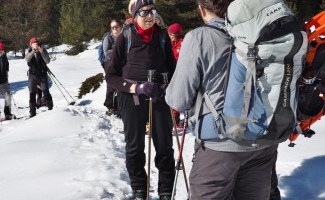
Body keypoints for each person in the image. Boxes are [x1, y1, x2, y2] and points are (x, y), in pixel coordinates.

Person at [165, 0, 278, 199]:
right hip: (263, 143)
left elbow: (178, 100)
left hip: (220, 146)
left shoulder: (198, 38)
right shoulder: (261, 32)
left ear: (202, 9)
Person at [105, 0, 176, 199]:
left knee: (164, 147)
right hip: (132, 99)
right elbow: (111, 75)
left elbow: (173, 69)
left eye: (152, 11)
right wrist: (136, 87)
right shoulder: (125, 37)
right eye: (144, 12)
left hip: (159, 97)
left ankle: (165, 191)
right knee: (135, 148)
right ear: (135, 15)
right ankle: (139, 189)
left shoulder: (162, 37)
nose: (149, 16)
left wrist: (169, 85)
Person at [25, 37, 53, 117]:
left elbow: (47, 61)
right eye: (34, 43)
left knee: (46, 91)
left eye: (37, 42)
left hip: (42, 74)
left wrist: (42, 52)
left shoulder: (42, 50)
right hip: (33, 75)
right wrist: (33, 51)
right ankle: (32, 112)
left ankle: (50, 109)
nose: (36, 44)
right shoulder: (30, 51)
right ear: (31, 44)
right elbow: (27, 59)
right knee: (32, 93)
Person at [103, 19, 122, 116]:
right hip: (110, 64)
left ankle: (119, 106)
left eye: (116, 26)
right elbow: (106, 52)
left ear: (120, 27)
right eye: (113, 27)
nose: (115, 29)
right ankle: (110, 105)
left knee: (121, 84)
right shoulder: (108, 38)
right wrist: (117, 49)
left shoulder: (123, 37)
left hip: (121, 63)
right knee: (111, 85)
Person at [167, 23, 184, 128]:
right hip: (170, 72)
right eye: (169, 34)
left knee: (176, 95)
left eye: (172, 34)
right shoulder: (169, 43)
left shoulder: (182, 44)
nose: (170, 36)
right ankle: (172, 118)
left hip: (178, 72)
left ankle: (175, 119)